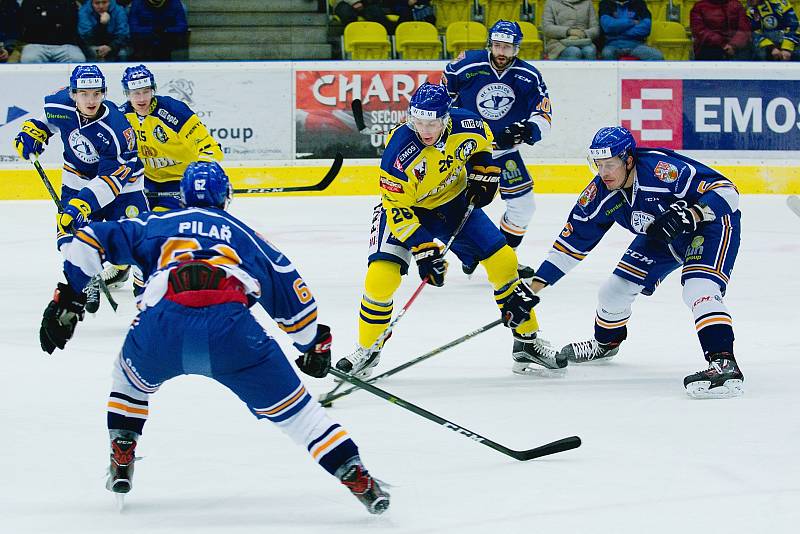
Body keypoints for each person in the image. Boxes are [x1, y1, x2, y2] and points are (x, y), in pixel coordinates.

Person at [37, 161, 390, 515]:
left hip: (163, 324)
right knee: (302, 417)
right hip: (233, 333)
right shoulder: (245, 234)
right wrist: (311, 343)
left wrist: (70, 295)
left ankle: (123, 444)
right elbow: (289, 289)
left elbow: (89, 239)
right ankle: (353, 472)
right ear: (226, 198)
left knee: (127, 382)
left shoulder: (156, 222)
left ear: (183, 196)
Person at [335, 82, 565, 379]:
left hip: (454, 204)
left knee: (504, 263)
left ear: (446, 118)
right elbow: (396, 209)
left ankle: (527, 341)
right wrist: (423, 249)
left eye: (432, 123)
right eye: (418, 122)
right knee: (380, 279)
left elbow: (484, 144)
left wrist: (486, 173)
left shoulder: (467, 122)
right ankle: (367, 349)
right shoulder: (398, 153)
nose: (425, 130)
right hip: (408, 210)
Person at [528, 126, 744, 399]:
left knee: (698, 290)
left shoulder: (662, 170)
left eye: (610, 164)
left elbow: (728, 192)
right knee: (613, 291)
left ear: (628, 159)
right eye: (598, 165)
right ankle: (606, 343)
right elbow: (571, 245)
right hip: (662, 236)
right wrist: (533, 287)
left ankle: (724, 363)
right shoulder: (600, 194)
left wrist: (693, 213)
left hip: (710, 227)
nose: (603, 172)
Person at [13, 64, 148, 313]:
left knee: (140, 240)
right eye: (84, 94)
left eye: (96, 94)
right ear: (73, 94)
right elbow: (48, 121)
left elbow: (110, 181)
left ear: (104, 93)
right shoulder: (60, 104)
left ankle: (146, 293)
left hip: (125, 185)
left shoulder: (118, 130)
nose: (91, 100)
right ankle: (88, 277)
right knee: (69, 234)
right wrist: (35, 132)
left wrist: (82, 203)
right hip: (77, 178)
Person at [443, 20, 553, 280]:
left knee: (524, 206)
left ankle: (502, 257)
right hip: (465, 152)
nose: (501, 52)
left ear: (517, 48)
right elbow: (442, 99)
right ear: (489, 44)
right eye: (497, 45)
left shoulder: (529, 76)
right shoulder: (465, 65)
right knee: (455, 207)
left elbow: (544, 114)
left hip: (504, 153)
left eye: (507, 47)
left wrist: (527, 130)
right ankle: (472, 254)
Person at [18, 0, 86, 63]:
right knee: (29, 59)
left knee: (78, 59)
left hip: (65, 45)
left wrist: (45, 19)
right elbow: (30, 24)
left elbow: (70, 24)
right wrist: (56, 22)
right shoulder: (29, 2)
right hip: (35, 44)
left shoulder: (69, 2)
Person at [598, 0, 664, 60]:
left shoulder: (640, 3)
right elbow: (608, 26)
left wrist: (617, 31)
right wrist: (632, 22)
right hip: (612, 45)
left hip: (636, 45)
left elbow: (645, 28)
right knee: (606, 53)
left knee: (657, 56)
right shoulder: (605, 3)